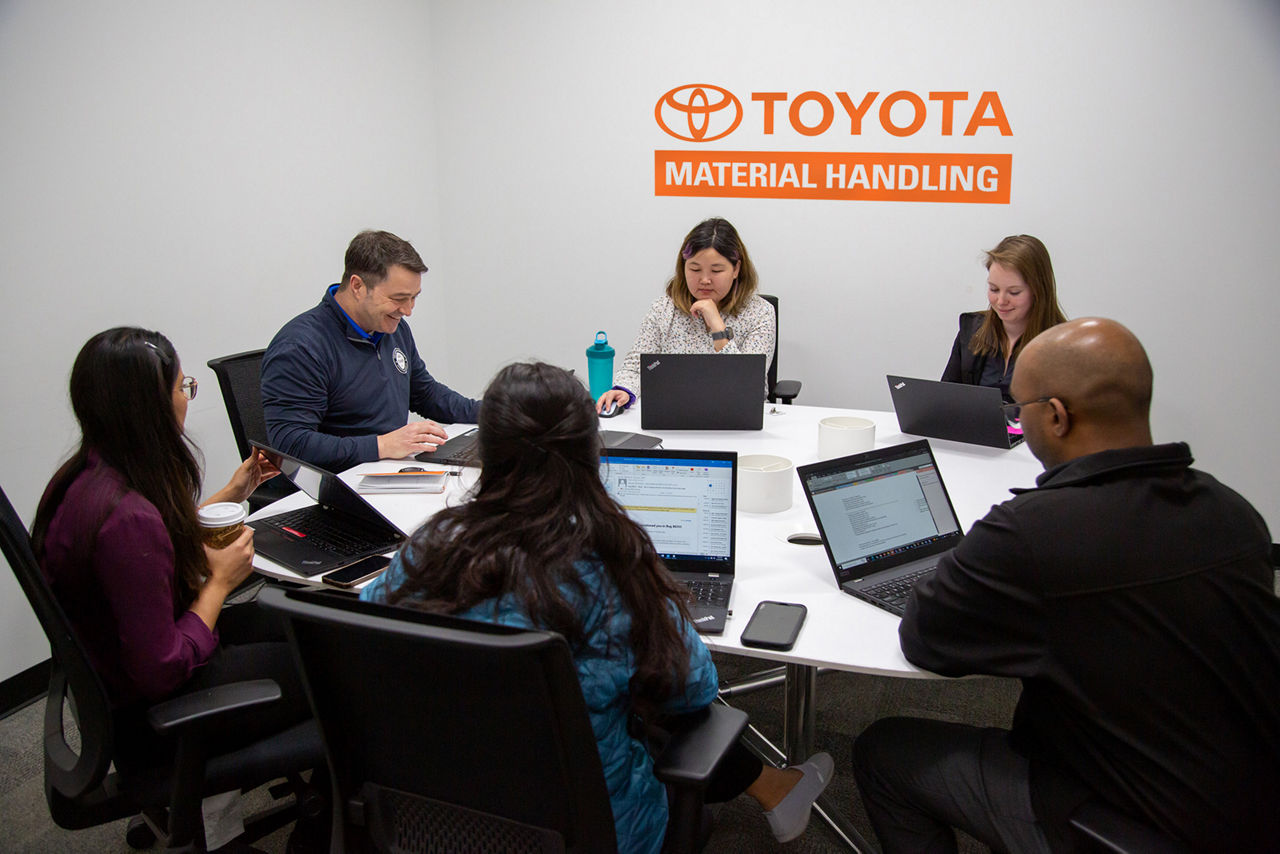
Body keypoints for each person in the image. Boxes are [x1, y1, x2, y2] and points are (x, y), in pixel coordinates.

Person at [363, 362, 833, 853]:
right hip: (589, 831)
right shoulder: (611, 567)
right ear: (592, 452)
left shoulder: (428, 550)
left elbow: (369, 626)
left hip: (431, 819)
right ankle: (776, 786)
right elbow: (695, 689)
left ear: (486, 451)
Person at [854, 318, 1280, 853]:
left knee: (884, 751)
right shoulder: (1233, 512)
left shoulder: (1030, 532)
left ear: (1055, 416)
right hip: (1253, 801)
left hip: (1117, 815)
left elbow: (926, 643)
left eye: (1019, 407)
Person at [31, 327, 312, 770]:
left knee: (298, 619)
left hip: (120, 676)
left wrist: (233, 492)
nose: (186, 396)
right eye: (182, 386)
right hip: (158, 716)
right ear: (149, 407)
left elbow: (156, 539)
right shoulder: (125, 520)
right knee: (334, 668)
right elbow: (162, 668)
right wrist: (220, 582)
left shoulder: (87, 477)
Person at [262, 229, 481, 472]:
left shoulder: (393, 329)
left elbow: (424, 394)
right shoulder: (301, 346)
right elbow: (290, 444)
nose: (408, 310)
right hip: (337, 482)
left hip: (386, 470)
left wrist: (496, 414)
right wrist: (381, 445)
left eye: (414, 297)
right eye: (399, 298)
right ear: (358, 286)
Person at [596, 217, 776, 413]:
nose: (704, 280)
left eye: (716, 270)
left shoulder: (760, 313)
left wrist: (717, 327)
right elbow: (636, 367)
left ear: (736, 269)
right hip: (673, 415)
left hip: (737, 419)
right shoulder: (663, 309)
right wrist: (624, 390)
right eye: (695, 269)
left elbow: (744, 386)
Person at [940, 234, 1066, 401]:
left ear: (1038, 292)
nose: (1000, 301)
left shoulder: (1062, 345)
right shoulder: (971, 329)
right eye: (994, 289)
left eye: (1014, 292)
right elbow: (946, 398)